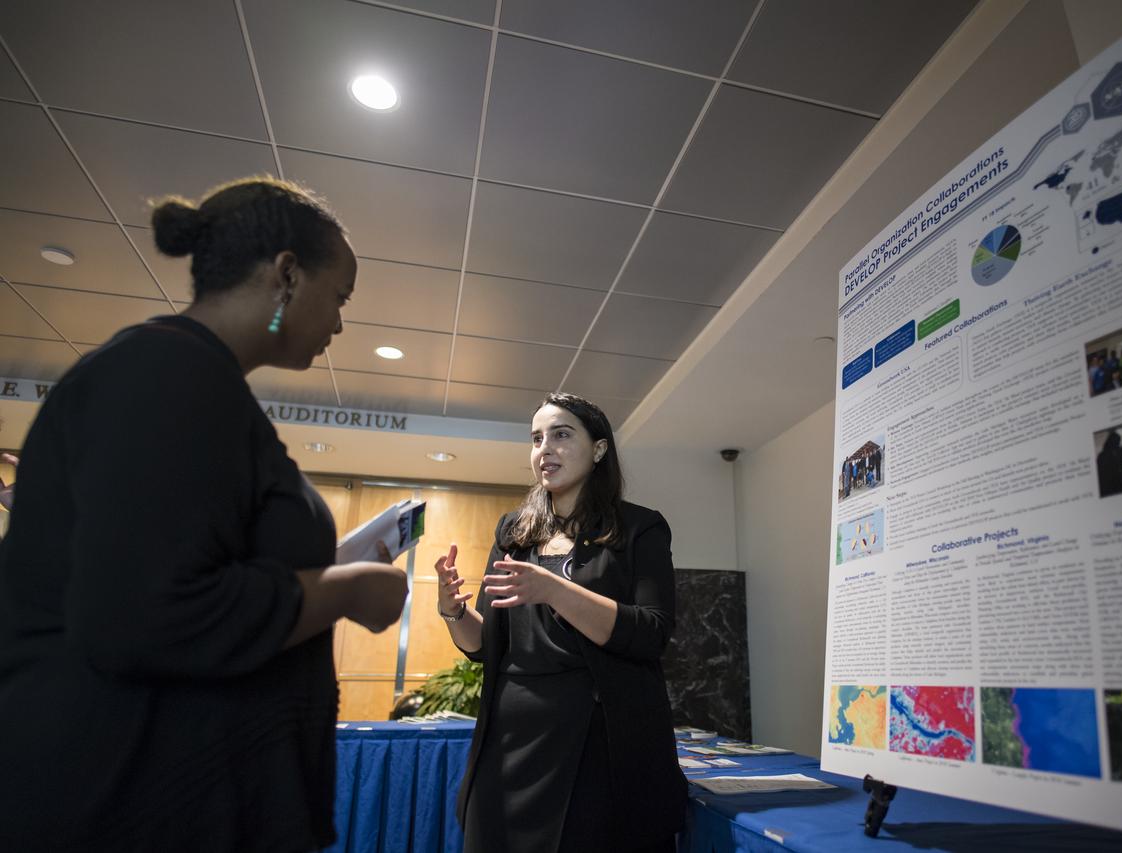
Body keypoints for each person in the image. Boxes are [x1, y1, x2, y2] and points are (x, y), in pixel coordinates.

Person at [0, 178, 408, 852]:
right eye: (339, 298)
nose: (338, 323)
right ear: (285, 272)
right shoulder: (162, 373)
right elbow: (143, 613)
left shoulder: (197, 382)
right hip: (128, 800)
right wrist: (346, 588)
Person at [436, 392, 685, 852]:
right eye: (536, 439)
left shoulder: (640, 529)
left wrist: (555, 590)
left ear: (599, 449)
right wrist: (453, 610)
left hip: (598, 748)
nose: (544, 448)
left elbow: (650, 633)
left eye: (561, 434)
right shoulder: (513, 534)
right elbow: (485, 645)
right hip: (509, 749)